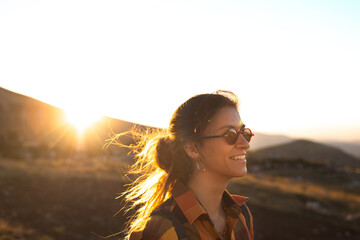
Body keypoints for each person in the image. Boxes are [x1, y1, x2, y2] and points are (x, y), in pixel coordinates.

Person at [116, 90, 254, 240]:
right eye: (231, 134)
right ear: (192, 148)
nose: (245, 144)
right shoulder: (164, 230)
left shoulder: (242, 215)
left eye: (244, 133)